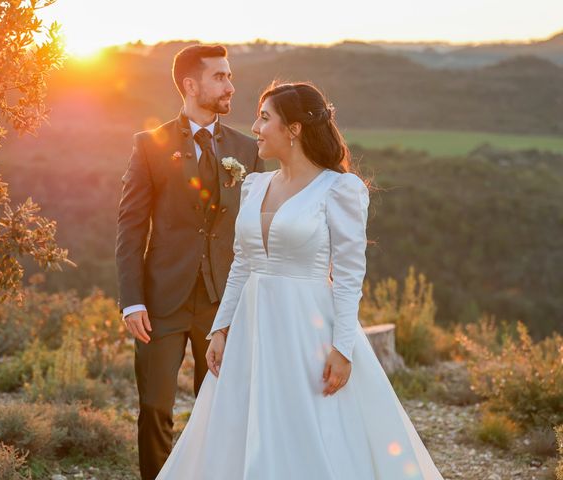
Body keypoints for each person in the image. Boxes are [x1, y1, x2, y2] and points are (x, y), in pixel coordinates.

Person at [155, 82, 445, 479]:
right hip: (251, 328)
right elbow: (243, 262)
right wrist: (221, 327)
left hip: (308, 329)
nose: (254, 127)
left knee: (309, 426)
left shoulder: (339, 188)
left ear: (293, 129)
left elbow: (347, 275)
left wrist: (343, 348)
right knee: (238, 426)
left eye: (264, 118)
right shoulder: (255, 185)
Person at [115, 44, 264, 480]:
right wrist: (132, 301)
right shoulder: (149, 145)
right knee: (155, 407)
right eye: (220, 76)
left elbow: (253, 227)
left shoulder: (246, 149)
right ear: (190, 84)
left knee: (216, 406)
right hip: (161, 301)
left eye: (230, 75)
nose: (230, 85)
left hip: (223, 300)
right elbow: (130, 228)